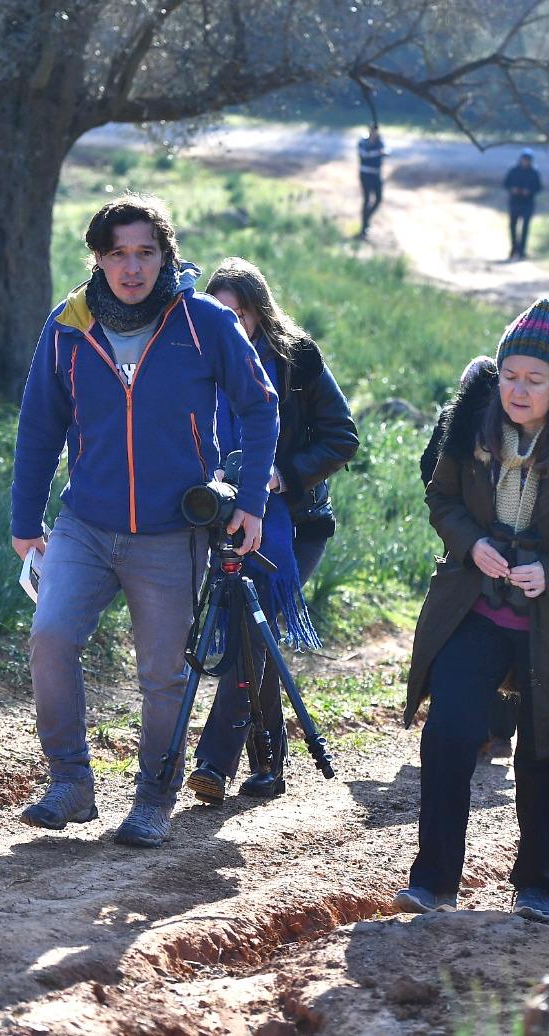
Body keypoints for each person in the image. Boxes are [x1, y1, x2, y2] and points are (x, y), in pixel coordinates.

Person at [11, 194, 279, 847]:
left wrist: (249, 502)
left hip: (172, 531)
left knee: (164, 672)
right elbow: (40, 424)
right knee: (50, 637)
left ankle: (154, 799)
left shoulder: (205, 321)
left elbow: (259, 406)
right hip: (85, 521)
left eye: (145, 253)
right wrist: (25, 518)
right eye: (118, 254)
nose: (132, 268)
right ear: (98, 258)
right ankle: (69, 782)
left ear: (166, 257)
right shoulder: (69, 325)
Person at [396, 298, 549, 924]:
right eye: (510, 375)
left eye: (535, 379)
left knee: (545, 750)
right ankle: (433, 880)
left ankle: (536, 883)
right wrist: (471, 543)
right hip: (476, 608)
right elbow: (442, 498)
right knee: (449, 734)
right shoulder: (470, 425)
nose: (518, 389)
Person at [188, 258, 360, 803]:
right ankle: (269, 763)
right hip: (221, 517)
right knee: (250, 631)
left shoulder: (296, 360)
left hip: (294, 524)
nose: (228, 324)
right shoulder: (195, 362)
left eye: (237, 313)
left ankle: (213, 764)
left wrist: (284, 475)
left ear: (259, 313)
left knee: (251, 621)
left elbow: (342, 436)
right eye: (217, 313)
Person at [421, 355, 518, 759]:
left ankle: (497, 733)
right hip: (466, 539)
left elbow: (427, 469)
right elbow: (432, 470)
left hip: (493, 541)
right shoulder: (453, 418)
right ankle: (485, 731)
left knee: (498, 621)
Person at [504, 149, 544, 260]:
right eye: (524, 159)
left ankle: (522, 251)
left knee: (525, 227)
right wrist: (513, 189)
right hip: (514, 202)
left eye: (528, 160)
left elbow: (539, 187)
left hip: (528, 203)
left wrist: (529, 191)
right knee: (513, 226)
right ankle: (513, 249)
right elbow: (505, 183)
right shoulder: (514, 171)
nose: (525, 162)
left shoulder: (534, 172)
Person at [358, 124, 388, 238]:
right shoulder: (363, 141)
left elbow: (386, 151)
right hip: (366, 175)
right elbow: (364, 155)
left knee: (378, 199)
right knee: (367, 200)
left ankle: (367, 217)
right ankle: (364, 226)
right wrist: (377, 152)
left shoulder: (379, 141)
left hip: (376, 174)